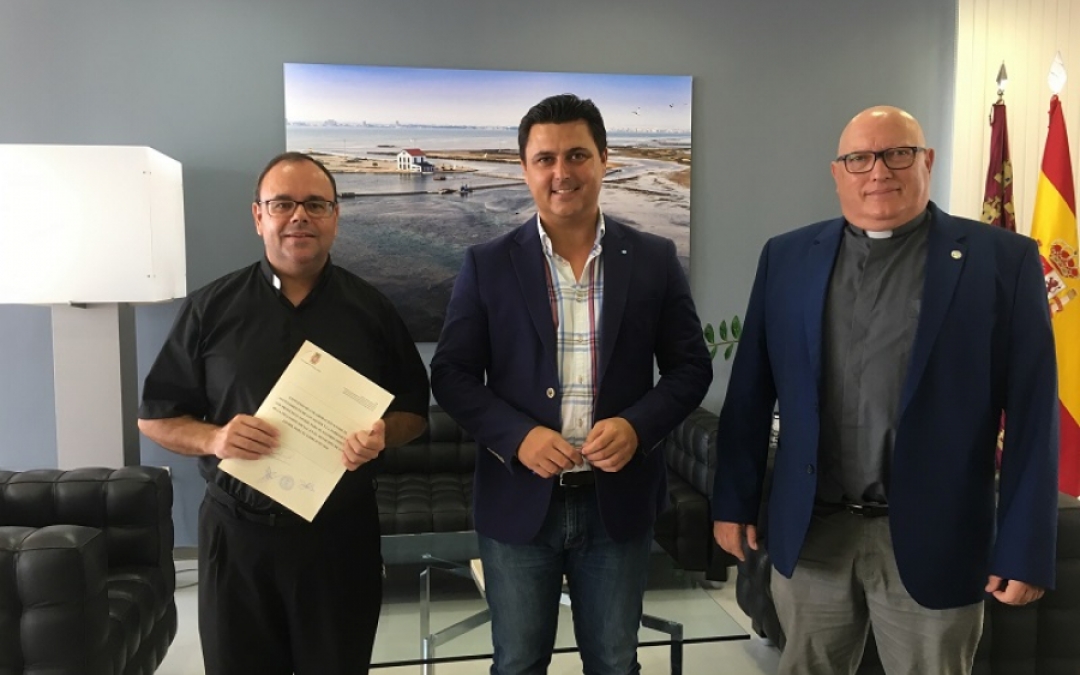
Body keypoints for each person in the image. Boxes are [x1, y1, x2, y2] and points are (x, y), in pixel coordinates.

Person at [711, 106, 1059, 675]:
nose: (879, 171)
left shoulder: (1002, 261)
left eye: (898, 153)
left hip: (936, 536)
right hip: (815, 533)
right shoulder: (787, 257)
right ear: (837, 172)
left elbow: (1033, 418)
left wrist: (1026, 548)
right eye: (859, 158)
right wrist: (733, 502)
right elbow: (750, 394)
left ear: (927, 160)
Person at [430, 93, 712, 675]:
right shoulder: (486, 264)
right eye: (545, 159)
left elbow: (690, 368)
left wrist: (638, 427)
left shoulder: (654, 258)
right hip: (518, 501)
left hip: (619, 503)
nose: (562, 172)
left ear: (605, 159)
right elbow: (452, 374)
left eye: (578, 155)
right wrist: (517, 437)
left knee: (615, 662)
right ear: (525, 168)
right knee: (517, 662)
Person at [138, 152, 430, 675]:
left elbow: (414, 412)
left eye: (316, 204)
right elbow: (155, 417)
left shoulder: (373, 310)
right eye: (282, 204)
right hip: (237, 537)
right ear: (259, 216)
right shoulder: (210, 308)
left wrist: (383, 434)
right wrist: (214, 439)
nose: (300, 216)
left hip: (339, 539)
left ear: (335, 216)